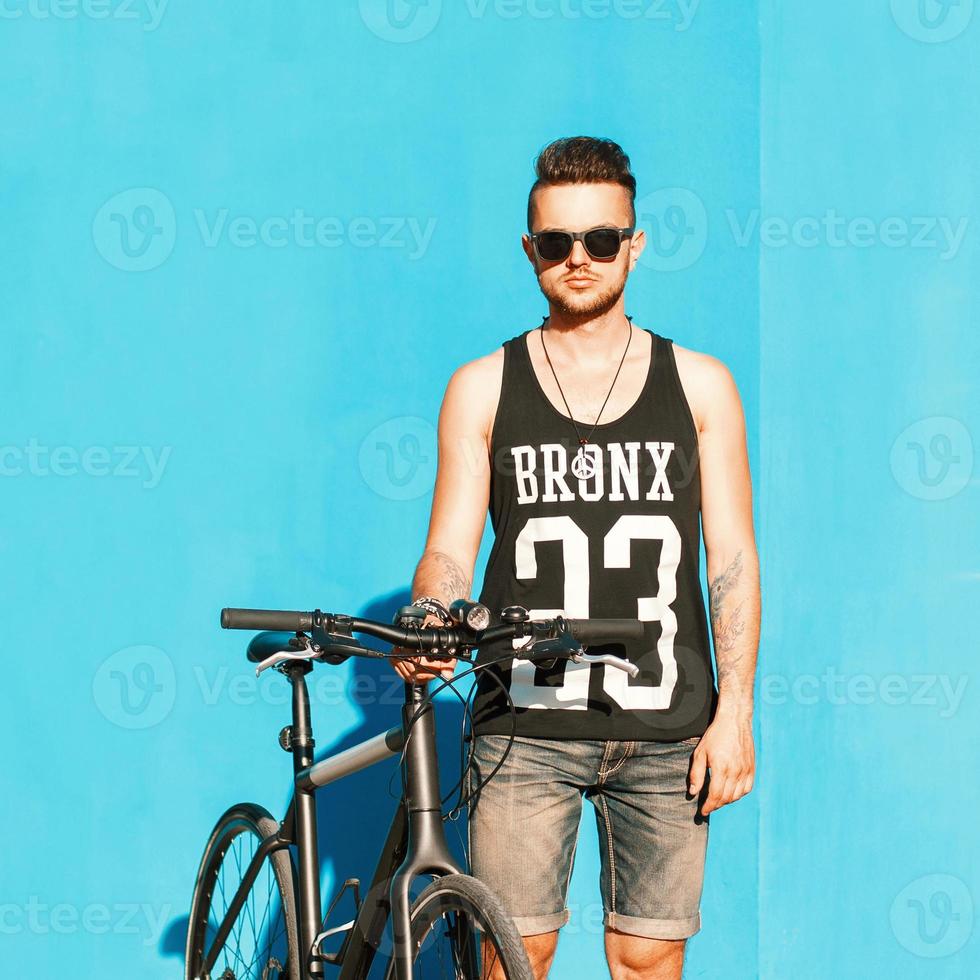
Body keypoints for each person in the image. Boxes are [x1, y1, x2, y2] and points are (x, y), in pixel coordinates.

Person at [391, 136, 760, 980]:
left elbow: (731, 556)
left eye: (601, 238)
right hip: (526, 722)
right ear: (531, 251)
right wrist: (428, 613)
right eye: (556, 243)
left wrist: (735, 708)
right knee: (511, 959)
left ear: (635, 244)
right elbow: (449, 548)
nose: (579, 258)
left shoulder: (701, 385)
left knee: (648, 959)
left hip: (668, 720)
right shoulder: (483, 386)